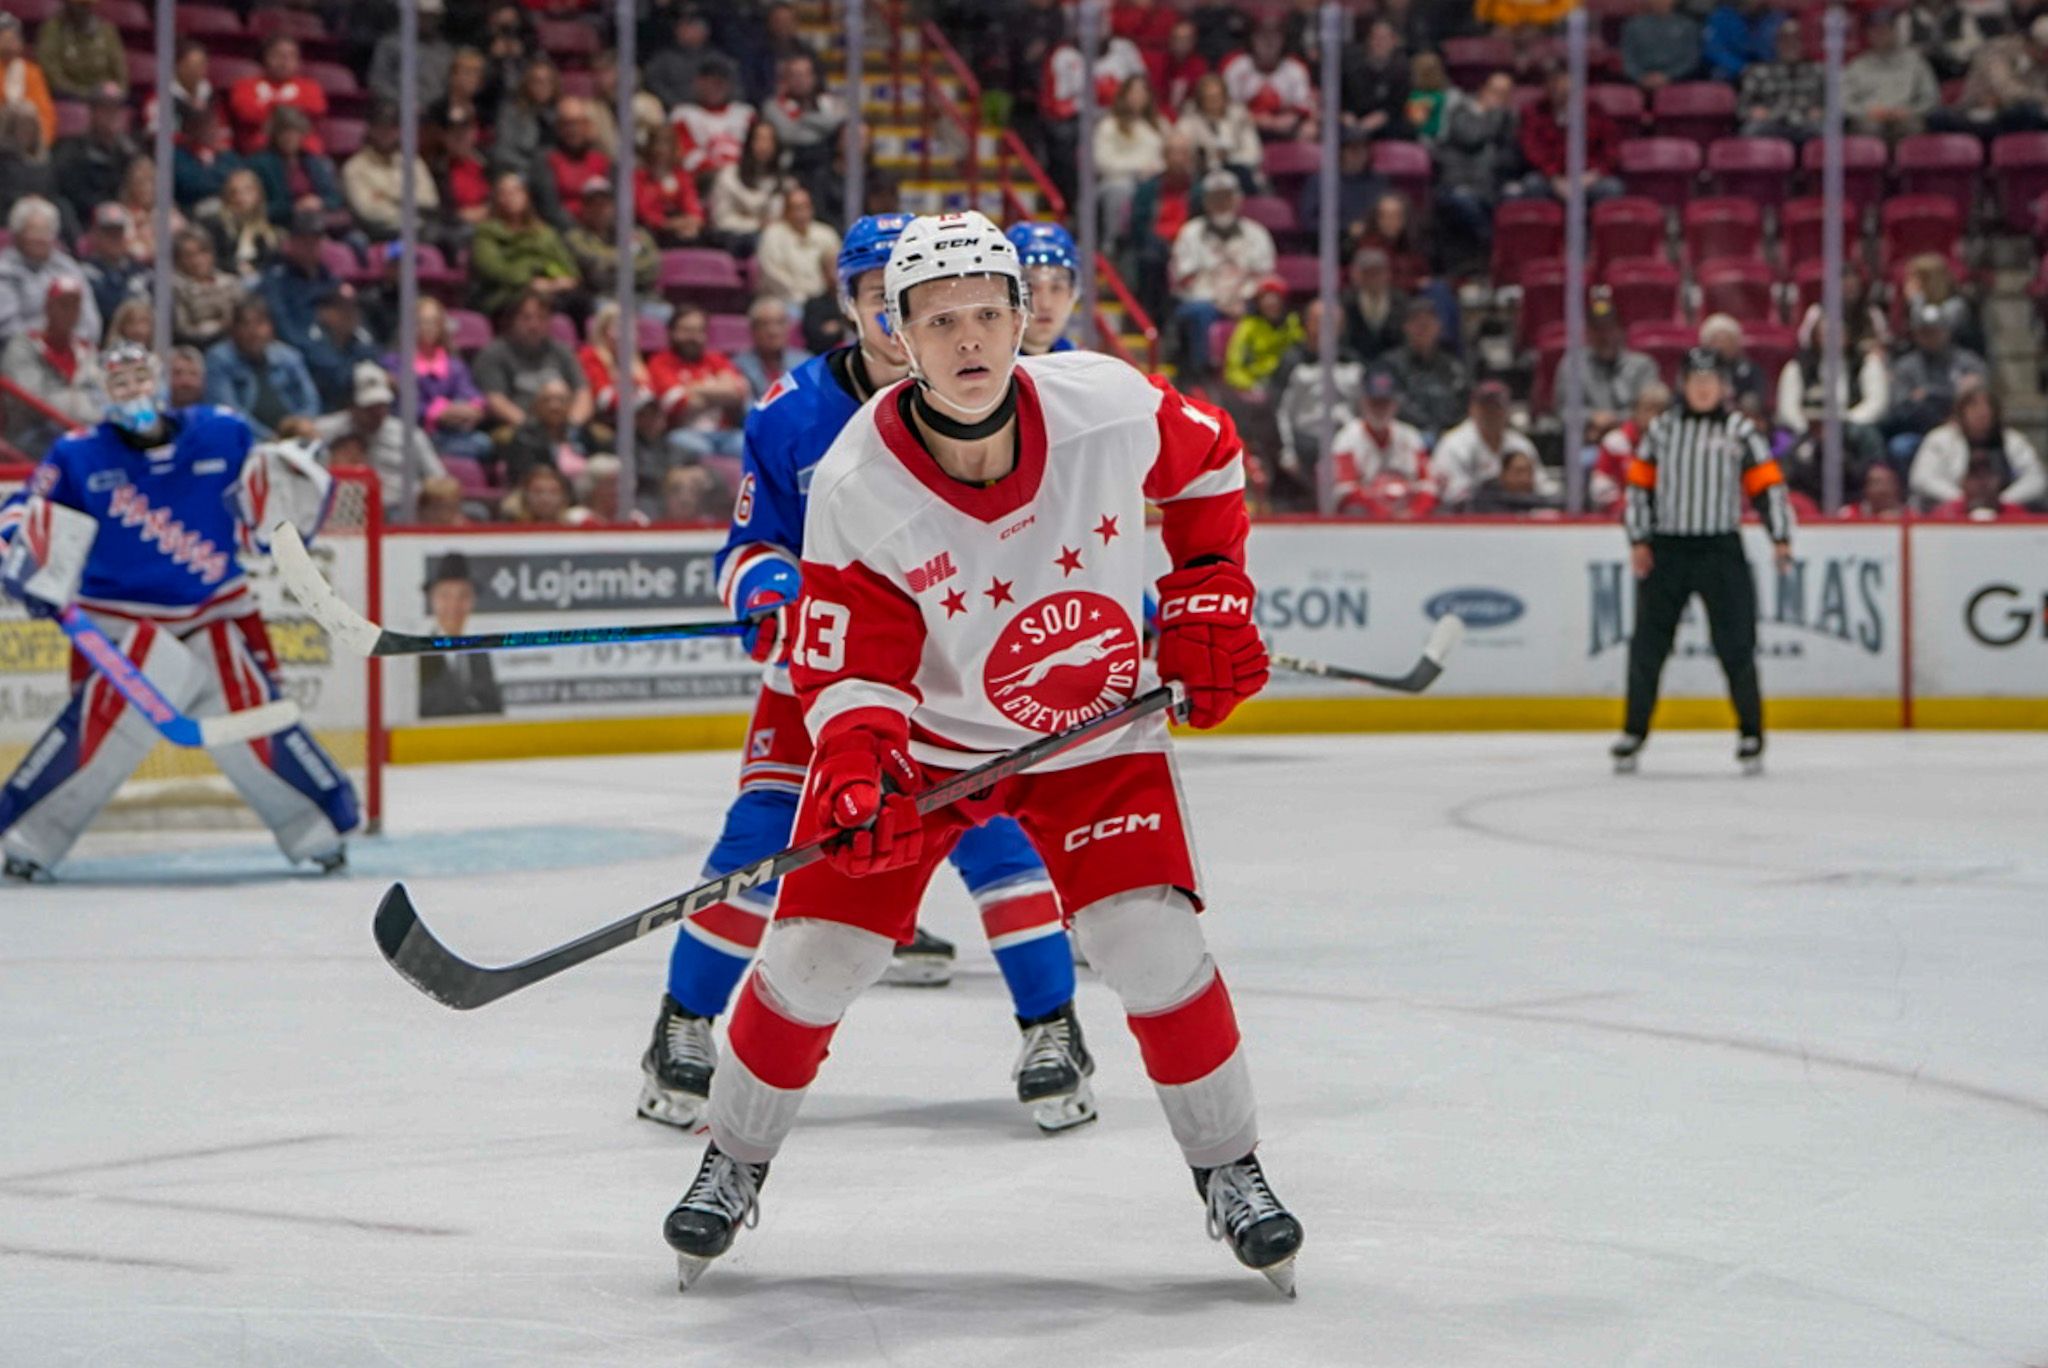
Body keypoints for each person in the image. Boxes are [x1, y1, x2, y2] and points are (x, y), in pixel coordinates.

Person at [660, 211, 1301, 1292]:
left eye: (987, 317)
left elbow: (1210, 468)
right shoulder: (857, 474)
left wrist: (1205, 594)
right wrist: (858, 757)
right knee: (817, 957)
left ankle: (1231, 1171)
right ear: (899, 334)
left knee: (1146, 943)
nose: (967, 341)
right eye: (939, 320)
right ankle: (732, 1160)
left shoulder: (1102, 403)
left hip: (1090, 736)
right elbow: (854, 654)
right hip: (930, 748)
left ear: (1021, 322)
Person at [636, 212, 1100, 1145]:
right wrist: (768, 585)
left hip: (952, 679)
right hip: (826, 678)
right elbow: (749, 544)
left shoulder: (1008, 398)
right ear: (855, 306)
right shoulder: (792, 412)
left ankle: (1054, 1030)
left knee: (998, 838)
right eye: (879, 299)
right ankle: (681, 1027)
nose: (898, 320)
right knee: (759, 837)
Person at [0, 344, 359, 880]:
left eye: (141, 377)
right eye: (119, 383)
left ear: (162, 381)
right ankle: (27, 837)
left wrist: (296, 477)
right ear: (101, 393)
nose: (133, 392)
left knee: (249, 715)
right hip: (121, 620)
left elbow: (267, 493)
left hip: (211, 609)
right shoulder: (76, 454)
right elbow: (25, 511)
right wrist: (14, 549)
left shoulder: (222, 429)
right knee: (105, 727)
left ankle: (319, 828)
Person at [1614, 347, 1794, 775]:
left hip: (1719, 550)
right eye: (1696, 381)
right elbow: (1639, 489)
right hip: (1668, 549)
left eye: (1710, 381)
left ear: (1723, 386)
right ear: (1683, 385)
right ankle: (1633, 731)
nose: (1703, 388)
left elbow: (1767, 487)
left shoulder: (1739, 431)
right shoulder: (1660, 431)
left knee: (1737, 645)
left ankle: (1751, 732)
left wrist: (1781, 536)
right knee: (1648, 647)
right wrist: (1639, 539)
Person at [1168, 171, 1276, 381]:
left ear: (1238, 199)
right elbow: (1184, 279)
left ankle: (1262, 376)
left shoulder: (1257, 234)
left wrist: (1242, 299)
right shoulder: (1190, 232)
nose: (1221, 203)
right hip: (1203, 301)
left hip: (1246, 302)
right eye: (1215, 197)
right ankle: (1203, 377)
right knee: (1199, 312)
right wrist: (1218, 302)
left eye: (1226, 196)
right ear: (1206, 202)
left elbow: (1264, 278)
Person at [311, 362, 446, 514]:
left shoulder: (410, 436)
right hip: (348, 512)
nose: (377, 413)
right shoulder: (325, 430)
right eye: (370, 408)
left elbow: (438, 479)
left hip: (402, 511)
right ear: (352, 405)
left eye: (382, 405)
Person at [1272, 298, 1365, 507]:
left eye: (1334, 322)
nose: (1328, 328)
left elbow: (1362, 409)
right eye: (1321, 321)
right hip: (1304, 444)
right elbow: (1279, 412)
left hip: (1345, 441)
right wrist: (1287, 452)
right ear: (1307, 324)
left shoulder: (1353, 362)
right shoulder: (1292, 362)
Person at [1908, 378, 2046, 513]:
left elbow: (2036, 479)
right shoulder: (1940, 439)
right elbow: (1922, 479)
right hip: (1949, 511)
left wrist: (2003, 501)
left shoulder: (2013, 441)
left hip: (2004, 512)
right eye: (1974, 406)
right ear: (1962, 411)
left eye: (1988, 406)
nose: (1982, 412)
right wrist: (1962, 501)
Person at [0, 278, 102, 458]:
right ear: (48, 307)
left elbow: (103, 397)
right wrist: (84, 416)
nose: (69, 313)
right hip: (34, 436)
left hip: (79, 435)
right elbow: (33, 401)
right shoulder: (23, 346)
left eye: (75, 306)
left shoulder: (86, 351)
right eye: (63, 305)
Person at [473, 291, 591, 440]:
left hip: (563, 429)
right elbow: (496, 400)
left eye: (541, 318)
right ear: (512, 320)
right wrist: (533, 429)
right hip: (516, 429)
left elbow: (582, 392)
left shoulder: (562, 351)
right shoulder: (494, 354)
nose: (534, 325)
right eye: (526, 318)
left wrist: (573, 425)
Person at [388, 296, 493, 463]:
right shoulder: (395, 363)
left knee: (483, 443)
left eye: (433, 322)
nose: (427, 328)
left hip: (452, 433)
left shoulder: (454, 365)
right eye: (421, 322)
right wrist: (437, 412)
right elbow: (401, 408)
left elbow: (470, 394)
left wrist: (473, 408)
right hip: (414, 434)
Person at [1882, 304, 1988, 465]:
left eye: (1936, 331)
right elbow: (1900, 407)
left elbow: (1979, 399)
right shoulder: (1905, 366)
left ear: (1947, 331)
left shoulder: (1968, 362)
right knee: (1900, 447)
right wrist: (1951, 398)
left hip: (1963, 430)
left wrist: (1927, 394)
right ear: (1916, 335)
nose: (1931, 337)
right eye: (1925, 332)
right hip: (1920, 432)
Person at [649, 304, 750, 471]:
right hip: (683, 432)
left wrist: (692, 388)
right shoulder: (660, 362)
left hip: (724, 433)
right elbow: (678, 403)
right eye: (686, 330)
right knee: (700, 451)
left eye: (698, 331)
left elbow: (738, 393)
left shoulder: (715, 359)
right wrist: (719, 392)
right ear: (672, 333)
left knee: (748, 445)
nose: (693, 337)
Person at [202, 297, 321, 439]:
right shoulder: (219, 358)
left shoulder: (288, 355)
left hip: (296, 431)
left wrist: (302, 424)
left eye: (260, 323)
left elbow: (311, 399)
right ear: (233, 330)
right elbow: (229, 412)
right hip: (250, 439)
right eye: (246, 324)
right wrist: (270, 437)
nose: (254, 331)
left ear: (271, 328)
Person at [470, 174, 580, 319]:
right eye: (504, 193)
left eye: (516, 191)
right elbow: (494, 270)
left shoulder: (545, 233)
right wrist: (530, 282)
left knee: (580, 303)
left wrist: (555, 283)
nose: (510, 197)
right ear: (496, 199)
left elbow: (570, 271)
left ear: (526, 195)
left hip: (551, 290)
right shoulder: (486, 232)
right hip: (506, 294)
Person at [1330, 366, 1432, 517]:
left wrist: (1414, 512)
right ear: (1363, 402)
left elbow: (1428, 486)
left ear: (1395, 404)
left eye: (1385, 402)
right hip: (1363, 525)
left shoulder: (1410, 437)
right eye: (1374, 402)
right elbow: (1346, 491)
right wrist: (1384, 516)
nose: (1379, 409)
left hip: (1407, 519)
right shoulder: (1346, 439)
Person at [1431, 381, 1548, 510]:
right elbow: (1454, 497)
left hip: (1518, 517)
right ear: (1472, 409)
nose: (1491, 413)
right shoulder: (1454, 445)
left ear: (1506, 411)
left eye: (1497, 407)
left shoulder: (1521, 445)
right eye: (1485, 407)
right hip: (1466, 522)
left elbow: (1541, 487)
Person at [0, 197, 100, 346]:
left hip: (71, 350)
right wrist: (48, 343)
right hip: (22, 354)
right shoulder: (5, 270)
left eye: (46, 232)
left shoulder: (68, 267)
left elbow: (90, 323)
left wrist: (71, 344)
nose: (41, 239)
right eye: (34, 231)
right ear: (17, 234)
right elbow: (6, 328)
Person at [1516, 66, 1623, 205]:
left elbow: (1611, 150)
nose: (1562, 93)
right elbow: (1532, 150)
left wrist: (1590, 177)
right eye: (1556, 87)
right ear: (1548, 88)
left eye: (1567, 90)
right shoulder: (1533, 113)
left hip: (1587, 178)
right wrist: (1555, 178)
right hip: (1551, 179)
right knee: (1532, 184)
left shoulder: (1595, 112)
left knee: (1612, 188)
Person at [416, 552, 502, 718]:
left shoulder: (480, 654)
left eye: (463, 595)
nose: (454, 605)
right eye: (445, 595)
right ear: (432, 600)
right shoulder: (420, 656)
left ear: (472, 601)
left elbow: (494, 710)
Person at [343, 101, 440, 241]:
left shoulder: (413, 162)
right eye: (380, 126)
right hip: (380, 236)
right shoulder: (354, 167)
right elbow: (369, 212)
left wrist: (389, 196)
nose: (386, 132)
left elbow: (430, 200)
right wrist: (410, 208)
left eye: (393, 127)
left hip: (420, 231)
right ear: (370, 128)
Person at [1568, 297, 1660, 442]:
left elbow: (1653, 409)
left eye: (1609, 327)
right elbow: (1563, 411)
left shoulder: (1643, 365)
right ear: (1587, 333)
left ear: (1620, 330)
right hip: (1587, 441)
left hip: (1635, 443)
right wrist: (1592, 417)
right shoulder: (1572, 365)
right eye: (1597, 329)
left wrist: (1614, 421)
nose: (1604, 335)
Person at [1940, 14, 2048, 137]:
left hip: (2015, 114)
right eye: (2045, 50)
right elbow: (2006, 90)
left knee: (2028, 114)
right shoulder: (1997, 50)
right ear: (2031, 43)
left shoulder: (2042, 63)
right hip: (1977, 111)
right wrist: (2042, 97)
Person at [1842, 9, 1939, 141]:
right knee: (1870, 127)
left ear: (1895, 31)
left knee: (1911, 126)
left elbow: (1930, 98)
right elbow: (1843, 102)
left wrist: (1911, 111)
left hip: (1906, 115)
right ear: (1868, 35)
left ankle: (1911, 161)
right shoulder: (1857, 65)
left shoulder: (1915, 62)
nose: (1880, 35)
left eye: (1885, 30)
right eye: (1875, 31)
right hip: (1869, 117)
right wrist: (1866, 111)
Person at [1383, 298, 1468, 441]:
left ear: (1438, 327)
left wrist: (1444, 429)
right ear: (1406, 327)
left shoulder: (1453, 367)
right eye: (1417, 323)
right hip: (1404, 436)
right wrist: (1427, 427)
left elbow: (1463, 402)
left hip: (1450, 436)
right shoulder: (1389, 365)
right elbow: (1392, 403)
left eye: (1428, 323)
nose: (1422, 329)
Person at [227, 36, 328, 156]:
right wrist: (292, 111)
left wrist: (270, 110)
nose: (284, 61)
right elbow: (247, 114)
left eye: (291, 56)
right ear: (264, 58)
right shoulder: (244, 86)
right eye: (278, 55)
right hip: (260, 149)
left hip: (305, 150)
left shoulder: (310, 87)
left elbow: (317, 109)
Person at [563, 176, 660, 301]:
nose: (600, 210)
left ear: (613, 206)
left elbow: (652, 266)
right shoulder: (575, 239)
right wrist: (630, 258)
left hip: (642, 295)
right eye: (593, 204)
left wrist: (612, 264)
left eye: (604, 204)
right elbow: (596, 272)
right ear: (585, 208)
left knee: (665, 312)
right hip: (603, 298)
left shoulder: (636, 234)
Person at [1221, 20, 1314, 141]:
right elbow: (1227, 106)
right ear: (1251, 40)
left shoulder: (1295, 69)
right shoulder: (1236, 67)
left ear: (1284, 41)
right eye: (1262, 37)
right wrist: (1254, 119)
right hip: (1244, 124)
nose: (1268, 43)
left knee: (1309, 130)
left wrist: (1285, 120)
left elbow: (1303, 106)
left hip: (1284, 126)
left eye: (1274, 37)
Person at [247, 108, 343, 225]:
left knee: (356, 239)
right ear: (274, 135)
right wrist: (293, 208)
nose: (289, 137)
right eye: (284, 132)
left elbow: (335, 199)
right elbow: (257, 208)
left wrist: (320, 202)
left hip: (317, 223)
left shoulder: (313, 161)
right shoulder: (260, 164)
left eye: (294, 131)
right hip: (281, 226)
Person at [575, 301, 649, 451]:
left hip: (636, 429)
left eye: (631, 328)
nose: (627, 334)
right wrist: (637, 403)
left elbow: (650, 397)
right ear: (603, 331)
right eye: (619, 328)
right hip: (600, 427)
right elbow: (604, 399)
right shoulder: (590, 356)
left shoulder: (636, 364)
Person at [708, 119, 789, 254]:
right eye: (759, 139)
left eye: (770, 141)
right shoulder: (729, 175)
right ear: (749, 143)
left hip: (773, 236)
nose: (764, 146)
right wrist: (756, 224)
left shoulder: (784, 181)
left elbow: (778, 218)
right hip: (735, 237)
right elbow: (721, 219)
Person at [298, 283, 381, 414]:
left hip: (362, 413)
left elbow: (377, 365)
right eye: (343, 309)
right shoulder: (313, 342)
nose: (351, 314)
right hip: (325, 415)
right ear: (323, 312)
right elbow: (338, 382)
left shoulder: (361, 338)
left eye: (354, 307)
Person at [1175, 72, 1261, 195]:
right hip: (1202, 174)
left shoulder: (1240, 115)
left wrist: (1229, 158)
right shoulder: (1189, 120)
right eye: (1208, 97)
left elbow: (1253, 153)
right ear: (1200, 99)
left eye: (1217, 96)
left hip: (1238, 171)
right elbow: (1180, 151)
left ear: (1225, 97)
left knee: (1244, 177)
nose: (1213, 101)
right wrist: (1212, 159)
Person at [1591, 382, 1673, 512]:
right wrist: (1627, 505)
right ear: (1636, 411)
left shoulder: (1675, 445)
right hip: (1619, 519)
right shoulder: (1615, 442)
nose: (1653, 417)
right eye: (1647, 409)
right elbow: (1600, 486)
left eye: (1659, 411)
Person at [1740, 20, 1827, 143]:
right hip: (1771, 122)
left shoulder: (1818, 71)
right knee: (1751, 130)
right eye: (1785, 40)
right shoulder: (1758, 72)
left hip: (1806, 123)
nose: (1791, 45)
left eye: (1796, 40)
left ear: (1803, 43)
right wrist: (1753, 111)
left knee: (1826, 131)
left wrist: (1823, 112)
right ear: (1776, 43)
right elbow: (1742, 108)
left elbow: (1835, 106)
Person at [753, 186, 840, 305]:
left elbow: (836, 269)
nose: (802, 213)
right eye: (797, 208)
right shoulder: (773, 234)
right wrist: (800, 295)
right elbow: (772, 273)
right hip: (785, 299)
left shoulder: (826, 234)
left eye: (806, 207)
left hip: (823, 299)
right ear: (786, 211)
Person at [1006, 221, 1081, 357]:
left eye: (1057, 288)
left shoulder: (1080, 366)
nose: (1045, 304)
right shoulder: (986, 369)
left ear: (1072, 293)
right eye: (1031, 287)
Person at [674, 58, 756, 180]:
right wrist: (722, 170)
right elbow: (688, 156)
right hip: (703, 180)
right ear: (698, 83)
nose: (716, 87)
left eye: (720, 82)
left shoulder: (746, 114)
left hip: (744, 178)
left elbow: (758, 151)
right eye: (709, 82)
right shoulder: (683, 115)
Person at [498, 377, 586, 487]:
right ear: (537, 405)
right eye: (547, 400)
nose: (554, 406)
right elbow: (525, 477)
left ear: (570, 404)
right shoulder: (524, 437)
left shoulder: (583, 434)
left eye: (561, 400)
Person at [32, 0, 124, 102]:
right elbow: (51, 74)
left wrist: (117, 90)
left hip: (103, 98)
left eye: (88, 5)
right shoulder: (52, 30)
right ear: (67, 4)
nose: (85, 9)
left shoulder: (107, 30)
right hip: (67, 97)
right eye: (80, 5)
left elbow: (120, 73)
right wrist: (85, 94)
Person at [77, 204, 149, 331]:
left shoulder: (141, 271)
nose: (114, 238)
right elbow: (108, 309)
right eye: (108, 233)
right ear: (96, 235)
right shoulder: (85, 272)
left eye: (119, 232)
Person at [169, 229, 244, 351]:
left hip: (237, 344)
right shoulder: (176, 288)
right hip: (197, 347)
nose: (197, 260)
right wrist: (220, 327)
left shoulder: (230, 283)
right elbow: (183, 329)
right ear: (178, 261)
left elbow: (243, 319)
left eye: (203, 252)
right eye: (189, 255)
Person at [635, 122, 707, 247]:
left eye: (666, 143)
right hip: (652, 230)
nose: (661, 149)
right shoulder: (639, 177)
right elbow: (644, 212)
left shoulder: (682, 176)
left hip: (680, 227)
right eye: (657, 143)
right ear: (649, 146)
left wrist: (692, 221)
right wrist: (668, 224)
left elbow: (692, 206)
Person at [369, 0, 451, 110]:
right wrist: (404, 104)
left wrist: (429, 106)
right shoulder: (390, 44)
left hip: (433, 112)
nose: (428, 20)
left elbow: (447, 88)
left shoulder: (445, 51)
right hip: (395, 107)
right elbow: (378, 82)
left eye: (432, 16)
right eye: (423, 15)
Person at [202, 169, 282, 279]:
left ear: (258, 194)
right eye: (234, 193)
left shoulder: (268, 228)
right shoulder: (216, 224)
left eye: (247, 191)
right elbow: (213, 259)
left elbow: (268, 262)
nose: (240, 198)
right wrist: (237, 268)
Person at [733, 294, 811, 401]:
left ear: (788, 327)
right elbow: (746, 409)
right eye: (765, 324)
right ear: (753, 330)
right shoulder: (739, 366)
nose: (773, 331)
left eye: (780, 323)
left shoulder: (805, 362)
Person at [0, 14, 57, 153]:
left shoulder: (32, 73)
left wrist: (39, 145)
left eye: (13, 37)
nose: (9, 42)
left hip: (28, 151)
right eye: (3, 37)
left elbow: (46, 116)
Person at [1340, 246, 1406, 362]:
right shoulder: (1346, 301)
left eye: (1377, 272)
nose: (1373, 278)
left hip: (1393, 365)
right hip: (1354, 361)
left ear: (1387, 274)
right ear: (1357, 275)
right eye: (1367, 273)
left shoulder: (1400, 301)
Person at [1622, 0, 1703, 92]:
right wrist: (1640, 77)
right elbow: (1628, 58)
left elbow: (1691, 59)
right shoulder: (1633, 26)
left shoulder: (1688, 26)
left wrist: (1669, 76)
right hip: (1640, 84)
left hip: (1679, 83)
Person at [1704, 0, 1784, 84]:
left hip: (1765, 74)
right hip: (1728, 77)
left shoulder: (1773, 19)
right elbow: (1713, 51)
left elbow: (1770, 52)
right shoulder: (1721, 16)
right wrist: (1741, 68)